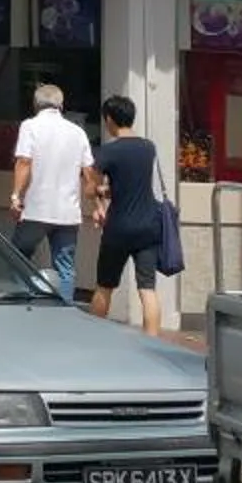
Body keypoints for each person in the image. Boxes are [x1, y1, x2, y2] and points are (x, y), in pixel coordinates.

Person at [83, 95, 167, 335]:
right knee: (147, 288)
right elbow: (134, 183)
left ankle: (94, 335)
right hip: (149, 226)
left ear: (109, 119)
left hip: (119, 227)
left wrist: (98, 191)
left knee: (104, 287)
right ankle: (153, 342)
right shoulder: (148, 147)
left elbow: (91, 189)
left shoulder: (108, 152)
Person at [10, 83, 92, 302]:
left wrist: (16, 196)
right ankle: (65, 312)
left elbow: (24, 162)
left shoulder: (30, 126)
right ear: (61, 105)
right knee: (65, 267)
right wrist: (98, 206)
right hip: (68, 212)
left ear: (35, 104)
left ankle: (21, 305)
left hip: (36, 209)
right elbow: (89, 172)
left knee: (17, 259)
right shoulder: (77, 132)